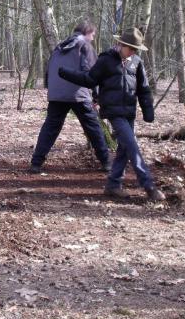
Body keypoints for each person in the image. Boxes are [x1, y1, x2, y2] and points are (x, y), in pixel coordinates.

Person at [59, 27, 165, 202]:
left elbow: (144, 89)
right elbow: (89, 79)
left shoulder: (136, 62)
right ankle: (149, 186)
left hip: (129, 112)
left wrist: (148, 111)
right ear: (121, 44)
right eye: (130, 48)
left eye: (136, 49)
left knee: (124, 149)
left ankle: (113, 185)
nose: (133, 52)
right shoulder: (106, 60)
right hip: (114, 112)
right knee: (131, 145)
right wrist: (65, 73)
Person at [29, 21, 111, 174]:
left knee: (50, 128)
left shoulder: (59, 46)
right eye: (93, 35)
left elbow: (48, 70)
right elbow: (94, 72)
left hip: (56, 94)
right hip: (78, 94)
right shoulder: (85, 45)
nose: (93, 38)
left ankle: (36, 162)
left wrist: (51, 89)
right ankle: (106, 161)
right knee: (93, 127)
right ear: (87, 32)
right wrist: (97, 96)